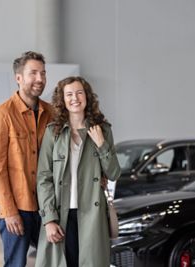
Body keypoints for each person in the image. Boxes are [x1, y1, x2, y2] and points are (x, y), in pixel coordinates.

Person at [35, 76, 121, 267]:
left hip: (93, 217)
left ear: (87, 97)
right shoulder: (53, 132)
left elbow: (114, 173)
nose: (75, 98)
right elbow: (43, 178)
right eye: (69, 94)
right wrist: (49, 219)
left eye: (79, 92)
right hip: (61, 214)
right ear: (62, 100)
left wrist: (101, 144)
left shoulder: (103, 130)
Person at [0, 51, 53, 267]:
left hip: (46, 206)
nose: (40, 79)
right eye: (33, 73)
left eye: (43, 73)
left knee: (54, 261)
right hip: (18, 207)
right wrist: (8, 211)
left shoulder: (51, 114)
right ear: (19, 78)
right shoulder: (2, 114)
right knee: (15, 264)